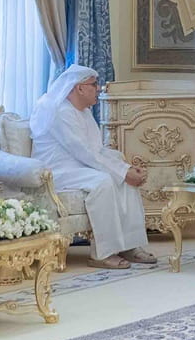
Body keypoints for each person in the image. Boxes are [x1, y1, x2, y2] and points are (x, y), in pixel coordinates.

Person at [30, 65, 155, 269]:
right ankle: (102, 254)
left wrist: (125, 168)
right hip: (57, 172)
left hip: (80, 168)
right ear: (79, 88)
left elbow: (97, 150)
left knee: (124, 180)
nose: (98, 88)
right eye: (94, 84)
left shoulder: (84, 112)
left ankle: (129, 245)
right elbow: (84, 152)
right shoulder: (60, 112)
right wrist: (122, 172)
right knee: (104, 182)